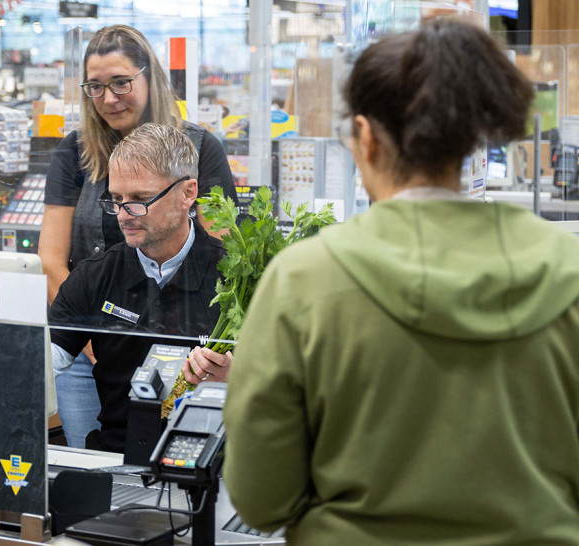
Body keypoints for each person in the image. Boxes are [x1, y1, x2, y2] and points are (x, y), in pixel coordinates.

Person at [224, 19, 579, 544]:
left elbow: (261, 499)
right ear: (472, 138)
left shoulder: (304, 279)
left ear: (366, 138)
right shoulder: (568, 268)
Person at [39, 25, 237, 448]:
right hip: (98, 335)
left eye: (121, 82)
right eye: (95, 86)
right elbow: (51, 258)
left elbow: (223, 260)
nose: (109, 97)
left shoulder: (199, 147)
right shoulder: (75, 151)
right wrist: (94, 328)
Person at [49, 123, 232, 454]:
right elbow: (46, 361)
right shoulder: (95, 278)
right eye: (116, 199)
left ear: (188, 193)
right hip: (119, 460)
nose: (123, 215)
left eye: (140, 199)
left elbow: (287, 388)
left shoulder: (236, 278)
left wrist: (236, 379)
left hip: (211, 462)